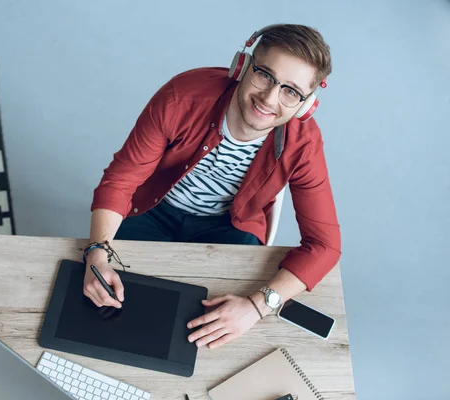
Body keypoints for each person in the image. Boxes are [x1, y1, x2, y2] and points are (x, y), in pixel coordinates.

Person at [82, 24, 341, 349]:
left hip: (229, 226)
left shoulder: (305, 144)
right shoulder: (182, 96)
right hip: (153, 209)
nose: (269, 98)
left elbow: (325, 245)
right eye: (264, 75)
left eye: (291, 91)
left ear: (306, 104)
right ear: (243, 66)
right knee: (105, 313)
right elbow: (121, 180)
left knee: (215, 334)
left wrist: (257, 306)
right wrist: (97, 254)